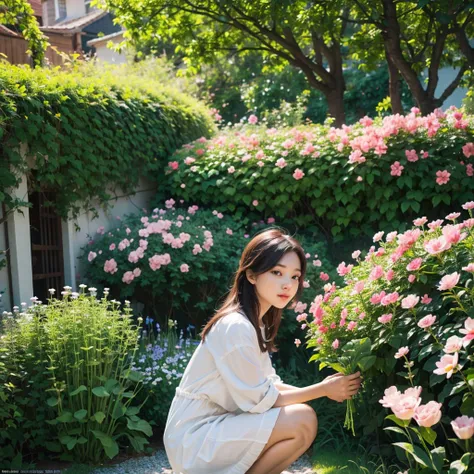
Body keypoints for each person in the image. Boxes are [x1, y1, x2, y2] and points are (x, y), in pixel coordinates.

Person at [163, 228, 362, 474]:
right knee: (302, 420)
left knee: (303, 420)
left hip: (215, 427)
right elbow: (260, 401)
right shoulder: (235, 326)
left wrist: (324, 386)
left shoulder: (255, 323)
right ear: (251, 275)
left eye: (295, 276)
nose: (287, 284)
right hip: (195, 438)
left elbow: (268, 384)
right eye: (277, 272)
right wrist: (323, 390)